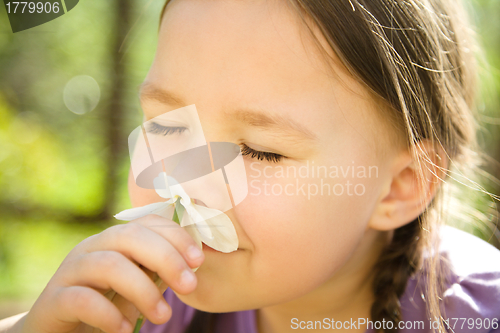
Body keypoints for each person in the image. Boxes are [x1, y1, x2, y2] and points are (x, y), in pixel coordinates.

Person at [1, 0, 500, 332]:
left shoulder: (479, 315)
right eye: (167, 125)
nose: (187, 182)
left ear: (398, 186)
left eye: (261, 150)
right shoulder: (144, 304)